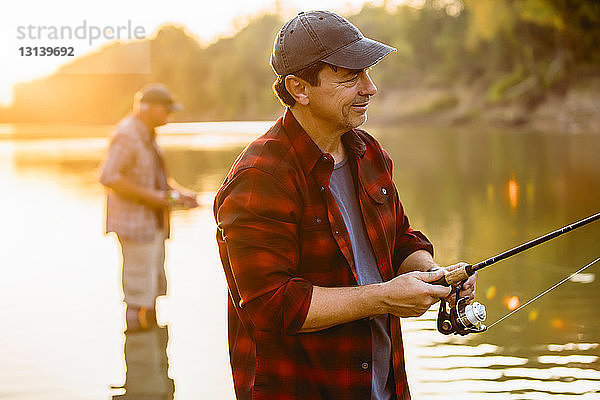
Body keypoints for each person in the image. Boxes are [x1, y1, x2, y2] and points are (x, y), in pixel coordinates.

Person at [213, 11, 477, 400]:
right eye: (350, 76)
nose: (370, 88)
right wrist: (385, 296)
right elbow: (271, 305)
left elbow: (400, 239)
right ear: (299, 89)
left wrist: (435, 275)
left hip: (384, 387)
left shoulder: (368, 152)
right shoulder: (261, 177)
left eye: (367, 73)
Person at [100, 83, 198, 332]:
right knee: (137, 295)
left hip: (153, 226)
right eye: (166, 110)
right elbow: (109, 176)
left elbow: (157, 182)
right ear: (150, 108)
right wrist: (154, 198)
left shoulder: (147, 134)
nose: (169, 115)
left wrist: (181, 196)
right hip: (135, 228)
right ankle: (137, 346)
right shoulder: (127, 135)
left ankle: (153, 356)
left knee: (152, 289)